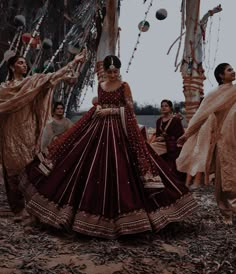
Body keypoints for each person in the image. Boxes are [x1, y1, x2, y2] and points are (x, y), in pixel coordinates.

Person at [20, 55, 197, 239]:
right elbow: (100, 106)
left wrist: (111, 110)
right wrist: (99, 110)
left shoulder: (124, 86)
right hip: (98, 130)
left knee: (123, 166)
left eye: (115, 71)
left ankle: (135, 221)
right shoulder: (101, 85)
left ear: (119, 71)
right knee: (81, 161)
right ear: (104, 71)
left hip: (119, 131)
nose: (112, 74)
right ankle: (74, 217)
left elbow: (128, 109)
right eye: (109, 71)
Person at [0, 52, 85, 215]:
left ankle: (31, 206)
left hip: (29, 131)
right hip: (10, 132)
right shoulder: (4, 88)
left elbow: (52, 77)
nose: (24, 65)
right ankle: (17, 209)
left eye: (25, 63)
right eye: (20, 63)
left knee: (30, 167)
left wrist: (73, 62)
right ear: (11, 66)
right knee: (12, 168)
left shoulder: (32, 82)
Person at [177, 63, 236, 225]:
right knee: (224, 179)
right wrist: (187, 134)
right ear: (221, 76)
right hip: (223, 141)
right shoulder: (214, 95)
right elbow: (200, 116)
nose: (233, 71)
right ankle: (226, 214)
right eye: (229, 70)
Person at [150, 99, 185, 181]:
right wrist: (158, 138)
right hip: (161, 144)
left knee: (152, 148)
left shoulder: (175, 120)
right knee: (149, 148)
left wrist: (165, 138)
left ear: (170, 108)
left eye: (166, 106)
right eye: (162, 106)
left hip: (173, 144)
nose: (163, 108)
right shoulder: (159, 121)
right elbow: (158, 134)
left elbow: (180, 135)